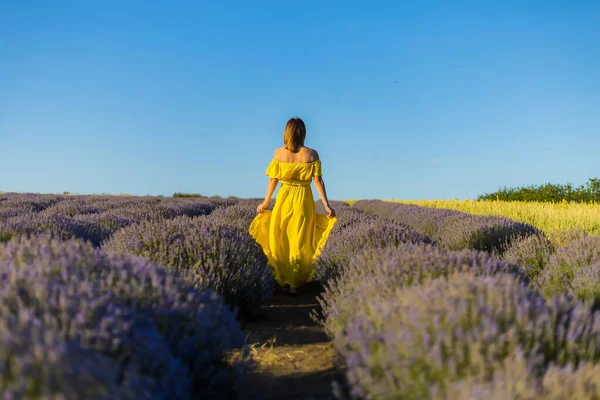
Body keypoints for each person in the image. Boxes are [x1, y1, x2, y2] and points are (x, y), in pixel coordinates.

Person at [249, 117, 337, 295]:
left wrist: (265, 202)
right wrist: (326, 205)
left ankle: (281, 280)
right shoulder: (312, 154)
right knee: (300, 238)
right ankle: (295, 284)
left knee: (281, 237)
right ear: (303, 133)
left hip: (284, 198)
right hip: (303, 199)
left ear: (286, 133)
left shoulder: (279, 153)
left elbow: (273, 180)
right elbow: (318, 181)